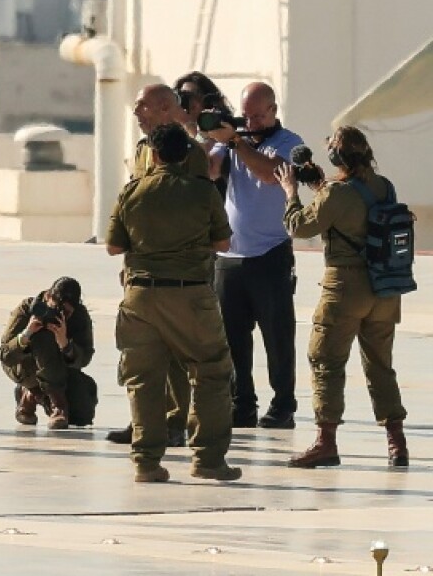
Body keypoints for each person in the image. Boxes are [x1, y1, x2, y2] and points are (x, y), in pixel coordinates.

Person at [106, 123, 240, 483]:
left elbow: (114, 246)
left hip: (140, 296)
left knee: (144, 379)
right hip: (190, 294)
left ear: (153, 153)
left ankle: (146, 462)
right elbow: (224, 244)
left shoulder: (132, 191)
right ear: (185, 154)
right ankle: (208, 460)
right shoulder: (202, 191)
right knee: (210, 372)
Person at [278, 126, 409, 468]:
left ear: (337, 156)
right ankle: (396, 442)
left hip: (345, 287)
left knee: (325, 361)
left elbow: (299, 227)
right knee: (381, 365)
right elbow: (358, 212)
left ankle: (326, 442)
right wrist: (322, 187)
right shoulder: (384, 186)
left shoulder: (335, 192)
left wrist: (291, 192)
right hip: (384, 288)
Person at [105, 84, 205, 448]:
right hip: (142, 267)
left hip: (178, 270)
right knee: (142, 353)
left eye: (142, 106)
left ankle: (174, 421)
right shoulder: (144, 150)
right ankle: (144, 422)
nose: (136, 113)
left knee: (177, 353)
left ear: (165, 108)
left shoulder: (190, 154)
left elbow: (192, 209)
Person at [205, 82, 304, 430]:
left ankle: (283, 404)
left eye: (259, 116)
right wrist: (203, 132)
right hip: (230, 256)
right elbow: (208, 171)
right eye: (247, 116)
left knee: (277, 336)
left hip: (270, 254)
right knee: (232, 340)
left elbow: (269, 173)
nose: (252, 122)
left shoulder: (290, 143)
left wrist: (235, 141)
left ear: (274, 111)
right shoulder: (230, 142)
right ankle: (242, 403)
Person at [0, 277, 96, 429]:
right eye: (56, 309)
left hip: (61, 370)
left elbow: (85, 359)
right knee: (44, 337)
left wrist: (65, 344)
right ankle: (58, 405)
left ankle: (30, 395)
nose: (60, 315)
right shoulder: (27, 309)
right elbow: (5, 355)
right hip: (23, 367)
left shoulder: (79, 316)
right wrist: (26, 335)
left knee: (81, 416)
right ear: (48, 296)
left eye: (67, 313)